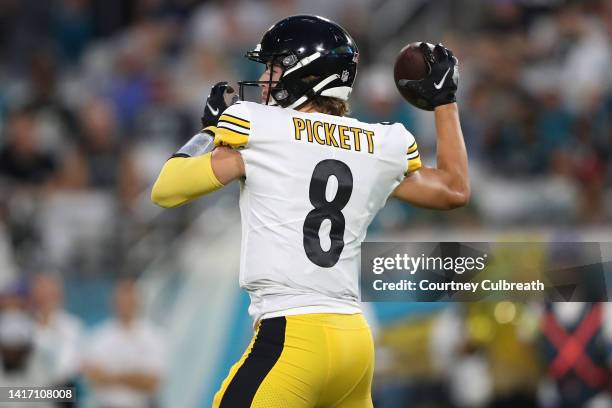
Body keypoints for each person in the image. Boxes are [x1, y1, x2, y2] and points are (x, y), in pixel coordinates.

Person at [151, 15, 468, 408]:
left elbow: (166, 188)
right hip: (354, 341)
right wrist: (445, 103)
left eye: (275, 66)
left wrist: (210, 131)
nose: (265, 78)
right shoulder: (380, 143)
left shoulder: (258, 126)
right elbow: (454, 189)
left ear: (306, 74)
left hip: (293, 336)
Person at [82, 279, 165, 408]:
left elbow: (152, 382)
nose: (125, 304)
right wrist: (135, 376)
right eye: (122, 299)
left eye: (129, 299)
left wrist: (109, 376)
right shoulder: (99, 335)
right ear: (114, 302)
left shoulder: (153, 336)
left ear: (138, 302)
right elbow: (94, 379)